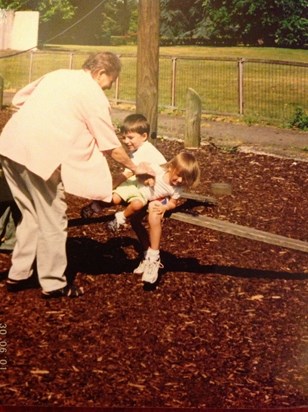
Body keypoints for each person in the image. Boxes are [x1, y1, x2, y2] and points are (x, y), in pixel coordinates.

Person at [0, 51, 150, 299]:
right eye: (111, 80)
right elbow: (110, 146)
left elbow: (18, 101)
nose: (110, 86)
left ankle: (18, 274)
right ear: (101, 73)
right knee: (54, 219)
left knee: (30, 213)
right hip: (39, 156)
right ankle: (53, 284)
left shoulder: (57, 75)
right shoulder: (93, 95)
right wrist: (136, 168)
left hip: (10, 146)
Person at [109, 151, 201, 284]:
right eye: (179, 176)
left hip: (159, 199)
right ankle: (146, 256)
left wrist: (165, 207)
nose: (180, 181)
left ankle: (154, 258)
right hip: (144, 195)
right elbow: (141, 167)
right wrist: (147, 177)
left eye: (184, 179)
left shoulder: (178, 188)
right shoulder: (158, 170)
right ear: (171, 167)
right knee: (135, 221)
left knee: (154, 215)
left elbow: (172, 203)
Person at [80, 113, 166, 218]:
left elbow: (127, 173)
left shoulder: (144, 151)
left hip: (154, 190)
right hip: (148, 185)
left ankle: (98, 205)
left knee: (116, 194)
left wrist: (111, 186)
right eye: (124, 138)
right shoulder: (143, 148)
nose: (126, 141)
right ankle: (99, 204)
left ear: (144, 136)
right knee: (121, 190)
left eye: (130, 137)